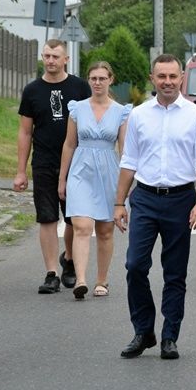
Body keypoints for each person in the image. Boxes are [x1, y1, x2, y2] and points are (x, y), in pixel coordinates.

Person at [113, 54, 196, 360]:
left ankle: (170, 335)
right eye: (162, 77)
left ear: (181, 78)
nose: (167, 82)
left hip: (181, 200)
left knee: (175, 272)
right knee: (135, 265)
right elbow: (129, 161)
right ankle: (143, 331)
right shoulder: (140, 115)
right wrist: (119, 202)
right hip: (145, 198)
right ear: (152, 78)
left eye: (173, 76)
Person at [14, 39, 91, 294]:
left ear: (66, 59)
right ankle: (51, 273)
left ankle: (69, 259)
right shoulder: (32, 90)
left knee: (73, 218)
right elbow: (25, 133)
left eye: (55, 56)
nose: (50, 61)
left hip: (76, 163)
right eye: (46, 56)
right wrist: (21, 171)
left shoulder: (80, 88)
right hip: (44, 163)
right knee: (47, 217)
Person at [57, 62, 131, 299]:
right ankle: (80, 280)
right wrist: (62, 178)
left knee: (105, 230)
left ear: (111, 80)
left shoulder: (121, 111)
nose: (97, 83)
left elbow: (125, 150)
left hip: (109, 171)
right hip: (81, 171)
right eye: (93, 78)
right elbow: (69, 144)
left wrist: (125, 188)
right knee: (82, 226)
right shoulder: (77, 108)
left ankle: (102, 280)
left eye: (102, 78)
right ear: (88, 81)